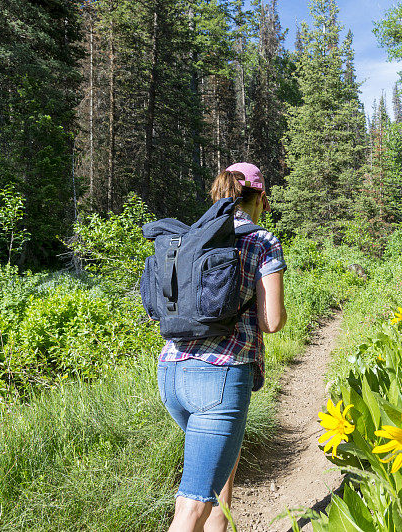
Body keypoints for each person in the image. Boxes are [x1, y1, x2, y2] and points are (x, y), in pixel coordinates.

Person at [157, 162, 287, 532]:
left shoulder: (192, 237)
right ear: (260, 197)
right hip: (220, 376)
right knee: (191, 504)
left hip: (171, 372)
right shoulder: (262, 240)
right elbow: (272, 322)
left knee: (217, 478)